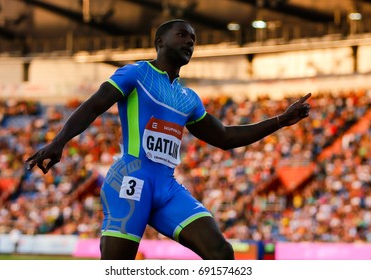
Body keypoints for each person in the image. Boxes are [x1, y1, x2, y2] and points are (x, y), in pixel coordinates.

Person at [26, 19, 311, 260]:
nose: (190, 42)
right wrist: (59, 142)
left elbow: (224, 137)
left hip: (167, 187)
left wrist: (281, 121)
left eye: (194, 39)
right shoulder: (136, 73)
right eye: (183, 35)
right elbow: (93, 105)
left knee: (221, 253)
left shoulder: (189, 99)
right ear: (160, 41)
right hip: (130, 180)